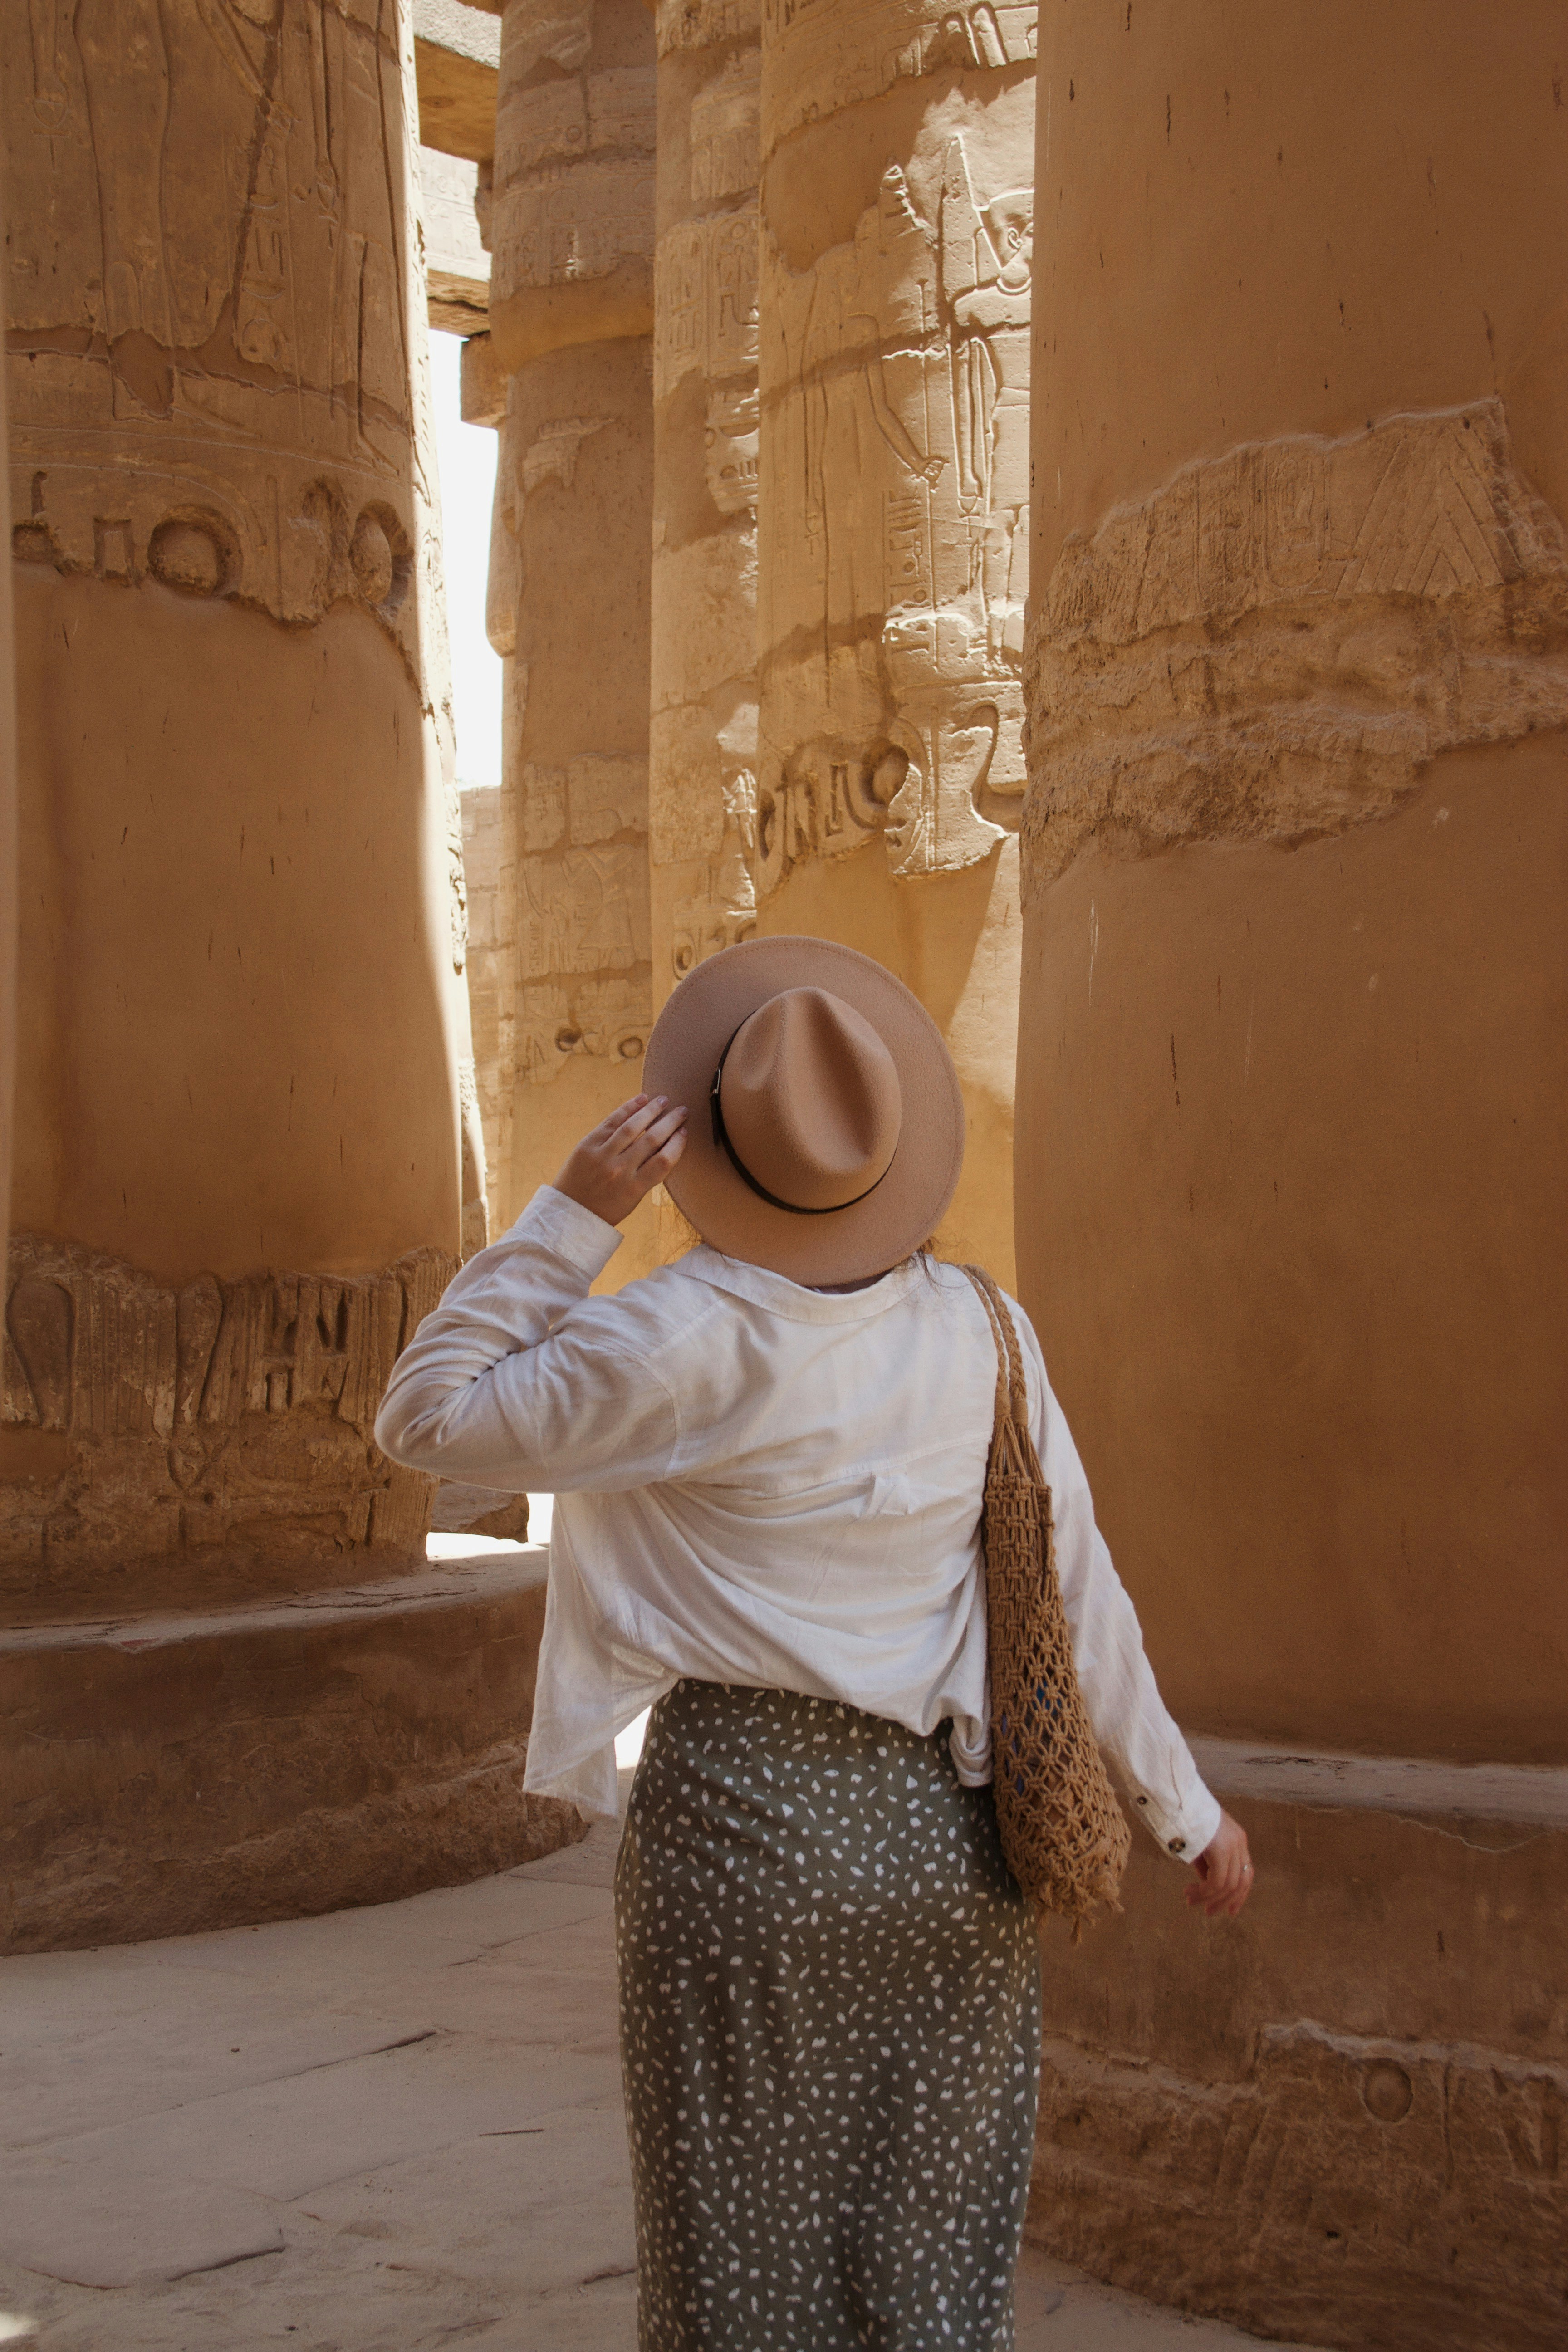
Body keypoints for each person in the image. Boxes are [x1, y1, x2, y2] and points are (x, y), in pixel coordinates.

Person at [376, 936, 1253, 2352]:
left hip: (743, 1845)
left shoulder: (674, 1339)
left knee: (743, 2267)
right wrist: (1186, 1810)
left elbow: (425, 1416)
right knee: (931, 2264)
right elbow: (1078, 1591)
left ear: (706, 1147)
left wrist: (571, 1217)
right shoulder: (988, 1331)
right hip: (946, 1856)